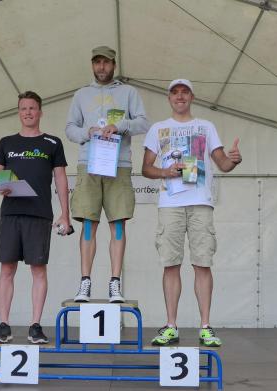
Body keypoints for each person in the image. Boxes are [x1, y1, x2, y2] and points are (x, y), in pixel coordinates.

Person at [142, 79, 242, 347]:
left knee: (203, 263)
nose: (180, 96)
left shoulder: (206, 126)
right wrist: (165, 171)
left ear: (192, 97)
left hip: (200, 202)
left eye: (184, 92)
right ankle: (171, 325)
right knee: (170, 264)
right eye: (175, 93)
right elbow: (146, 168)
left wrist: (234, 160)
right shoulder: (158, 128)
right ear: (168, 98)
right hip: (170, 204)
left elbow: (222, 163)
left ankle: (206, 326)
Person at [65, 45, 149, 303]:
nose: (101, 67)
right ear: (92, 64)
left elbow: (143, 123)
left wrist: (120, 126)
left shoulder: (128, 92)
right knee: (88, 223)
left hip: (118, 165)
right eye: (97, 62)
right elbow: (70, 128)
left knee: (118, 224)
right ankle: (85, 283)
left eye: (106, 62)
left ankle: (115, 283)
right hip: (89, 163)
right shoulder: (81, 94)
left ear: (114, 64)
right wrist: (87, 132)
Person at [0, 91, 70, 344]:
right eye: (23, 108)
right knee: (7, 269)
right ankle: (4, 325)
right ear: (18, 112)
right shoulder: (6, 142)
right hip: (11, 212)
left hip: (40, 214)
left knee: (38, 270)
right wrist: (0, 185)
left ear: (40, 112)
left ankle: (35, 325)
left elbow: (61, 179)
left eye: (32, 108)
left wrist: (65, 214)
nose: (28, 112)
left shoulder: (52, 143)